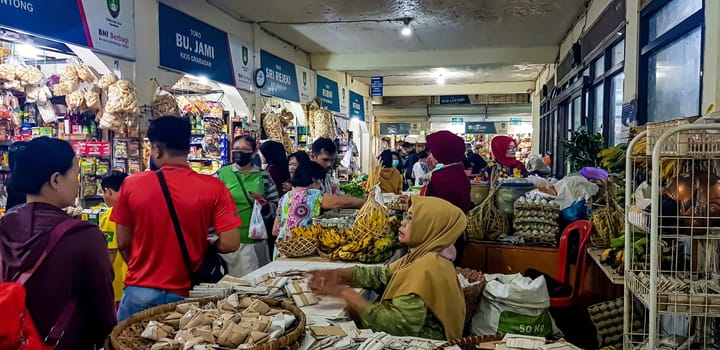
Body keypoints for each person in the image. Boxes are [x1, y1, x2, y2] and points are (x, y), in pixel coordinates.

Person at [111, 116, 241, 321]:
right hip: (187, 295)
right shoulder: (214, 187)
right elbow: (231, 243)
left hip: (139, 291)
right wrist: (205, 245)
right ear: (188, 148)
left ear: (156, 149)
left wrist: (142, 265)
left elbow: (123, 242)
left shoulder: (131, 185)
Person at [0, 137, 116, 349]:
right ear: (55, 180)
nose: (78, 180)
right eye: (75, 173)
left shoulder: (5, 226)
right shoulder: (84, 237)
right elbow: (103, 316)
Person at [308, 196, 466, 341]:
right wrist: (342, 275)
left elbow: (396, 325)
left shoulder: (429, 267)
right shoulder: (420, 255)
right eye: (406, 216)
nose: (403, 222)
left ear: (430, 227)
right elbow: (382, 274)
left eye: (411, 219)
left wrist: (347, 294)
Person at [217, 136, 280, 277]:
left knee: (258, 280)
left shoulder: (263, 176)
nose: (240, 152)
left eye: (245, 149)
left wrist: (265, 206)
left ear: (253, 152)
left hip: (257, 239)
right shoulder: (221, 175)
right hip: (230, 240)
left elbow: (277, 206)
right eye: (237, 149)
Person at [273, 162, 364, 258]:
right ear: (314, 179)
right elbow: (344, 202)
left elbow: (275, 230)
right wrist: (366, 202)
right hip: (301, 251)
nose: (321, 185)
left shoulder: (284, 198)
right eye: (320, 181)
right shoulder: (311, 195)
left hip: (280, 252)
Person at [425, 130, 471, 265]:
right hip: (457, 233)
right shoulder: (457, 172)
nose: (430, 156)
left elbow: (434, 207)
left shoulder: (443, 177)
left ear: (442, 154)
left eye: (433, 152)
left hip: (444, 240)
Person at [100, 170, 129, 307]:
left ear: (108, 191)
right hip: (135, 279)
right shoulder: (135, 208)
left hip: (117, 283)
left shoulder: (110, 214)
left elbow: (110, 252)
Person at [259, 140, 289, 259]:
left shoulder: (272, 170)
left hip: (274, 212)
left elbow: (273, 193)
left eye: (262, 153)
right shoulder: (282, 167)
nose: (261, 156)